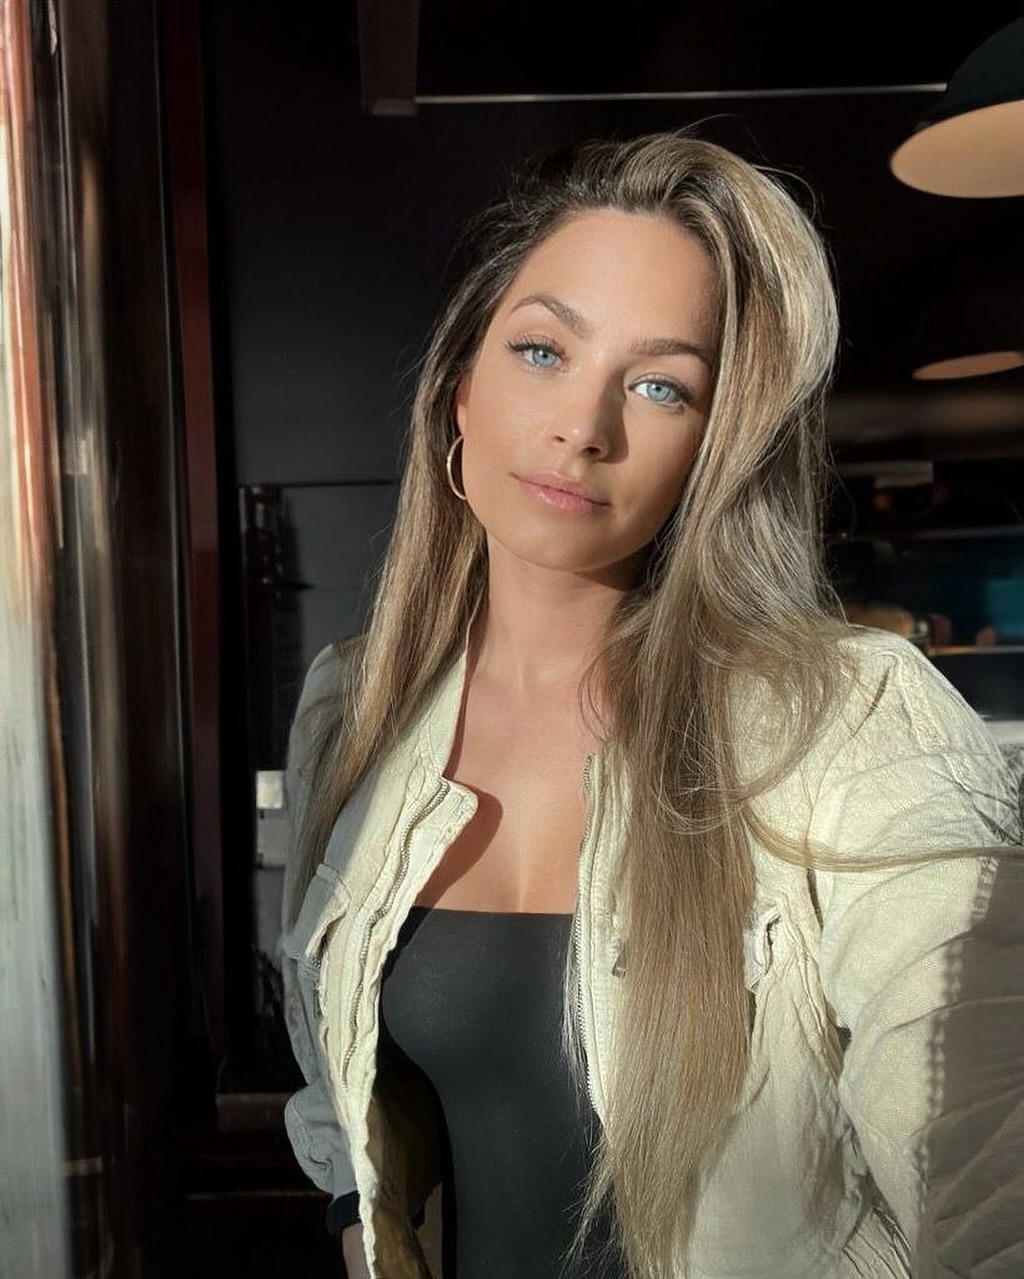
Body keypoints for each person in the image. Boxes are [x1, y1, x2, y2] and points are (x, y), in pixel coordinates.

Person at [278, 130, 1024, 1279]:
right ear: (460, 391)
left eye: (659, 385)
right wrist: (358, 1220)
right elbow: (337, 1070)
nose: (584, 427)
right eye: (541, 351)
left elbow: (979, 1147)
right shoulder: (354, 703)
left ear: (712, 451)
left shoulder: (849, 715)